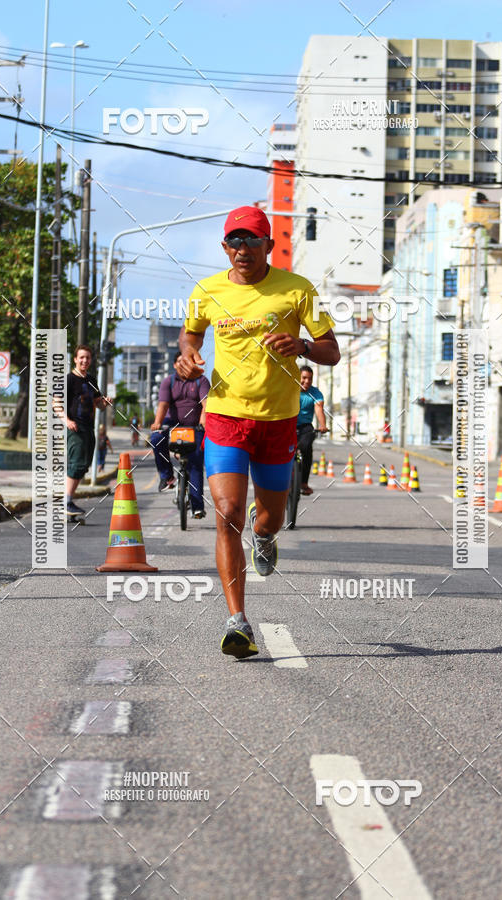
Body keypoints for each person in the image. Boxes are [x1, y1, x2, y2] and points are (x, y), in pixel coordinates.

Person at [177, 205, 339, 659]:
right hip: (226, 416)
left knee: (266, 517)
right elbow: (190, 336)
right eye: (235, 241)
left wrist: (303, 345)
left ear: (269, 245)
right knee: (226, 512)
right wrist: (188, 356)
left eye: (252, 240)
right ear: (224, 247)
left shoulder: (298, 290)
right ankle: (237, 622)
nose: (242, 248)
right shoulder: (206, 291)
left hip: (279, 420)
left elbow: (333, 351)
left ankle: (264, 534)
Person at [149, 351, 210, 518]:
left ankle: (197, 507)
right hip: (173, 425)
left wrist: (204, 419)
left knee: (196, 461)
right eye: (179, 362)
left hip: (194, 427)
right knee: (156, 438)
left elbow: (206, 403)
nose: (183, 365)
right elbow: (162, 405)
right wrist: (157, 423)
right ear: (175, 365)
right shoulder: (168, 382)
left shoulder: (201, 380)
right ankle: (167, 477)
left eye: (187, 362)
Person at [57, 344, 111, 515]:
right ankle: (66, 501)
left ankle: (69, 501)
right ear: (75, 359)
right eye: (81, 357)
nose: (84, 360)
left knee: (84, 464)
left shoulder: (91, 380)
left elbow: (98, 404)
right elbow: (56, 403)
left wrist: (106, 402)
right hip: (75, 427)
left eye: (87, 357)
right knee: (77, 463)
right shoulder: (69, 379)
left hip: (88, 427)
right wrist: (67, 421)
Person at [297, 365, 328, 495]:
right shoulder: (290, 389)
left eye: (310, 379)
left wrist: (322, 425)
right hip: (288, 423)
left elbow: (318, 409)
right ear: (298, 377)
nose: (307, 382)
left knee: (306, 448)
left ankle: (304, 483)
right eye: (304, 378)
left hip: (305, 426)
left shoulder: (315, 393)